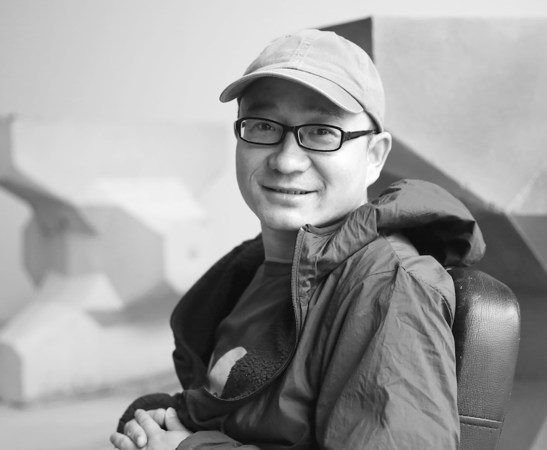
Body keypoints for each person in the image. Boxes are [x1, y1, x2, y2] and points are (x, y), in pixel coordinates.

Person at [110, 28, 485, 450]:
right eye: (263, 125)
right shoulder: (249, 274)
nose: (286, 161)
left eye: (322, 131)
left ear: (374, 157)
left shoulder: (388, 287)